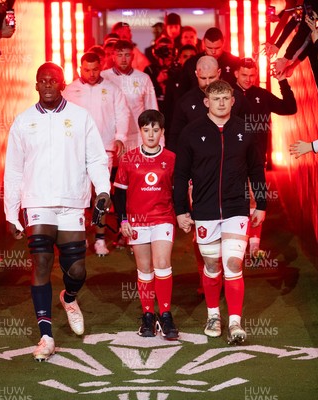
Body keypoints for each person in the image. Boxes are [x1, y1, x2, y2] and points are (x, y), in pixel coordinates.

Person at [4, 62, 110, 361]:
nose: (48, 85)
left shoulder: (80, 117)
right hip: (36, 201)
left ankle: (69, 297)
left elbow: (96, 159)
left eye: (53, 80)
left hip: (72, 200)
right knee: (41, 261)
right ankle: (46, 336)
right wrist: (11, 213)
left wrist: (102, 189)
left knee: (76, 270)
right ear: (36, 85)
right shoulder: (23, 121)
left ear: (62, 83)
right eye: (43, 80)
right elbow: (12, 170)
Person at [173, 80, 267, 344]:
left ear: (233, 100)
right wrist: (180, 210)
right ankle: (214, 315)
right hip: (204, 210)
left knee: (233, 264)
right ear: (207, 102)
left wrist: (261, 203)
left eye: (226, 98)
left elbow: (256, 169)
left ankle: (235, 322)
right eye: (216, 99)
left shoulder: (245, 130)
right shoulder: (191, 132)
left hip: (237, 208)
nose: (222, 103)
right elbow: (180, 175)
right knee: (212, 266)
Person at [113, 109, 178, 339]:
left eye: (156, 130)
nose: (151, 134)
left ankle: (166, 314)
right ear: (140, 131)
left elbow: (177, 191)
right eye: (146, 130)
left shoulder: (171, 159)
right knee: (145, 269)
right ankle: (149, 316)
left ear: (162, 132)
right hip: (137, 221)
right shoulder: (128, 159)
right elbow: (119, 194)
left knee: (162, 263)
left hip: (163, 218)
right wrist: (122, 220)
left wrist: (183, 213)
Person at [63, 52, 130, 256]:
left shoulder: (112, 89)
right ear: (79, 69)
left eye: (95, 69)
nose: (91, 74)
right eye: (87, 70)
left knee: (101, 195)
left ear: (100, 67)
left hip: (103, 150)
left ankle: (100, 240)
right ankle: (80, 237)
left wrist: (120, 137)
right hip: (75, 151)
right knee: (79, 195)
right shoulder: (70, 90)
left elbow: (123, 113)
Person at [232, 57, 296, 255]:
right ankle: (236, 245)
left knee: (254, 199)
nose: (248, 79)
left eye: (252, 75)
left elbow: (289, 108)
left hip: (257, 158)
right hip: (229, 158)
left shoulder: (262, 95)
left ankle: (254, 246)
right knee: (234, 201)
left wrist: (283, 81)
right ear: (236, 73)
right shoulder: (226, 95)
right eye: (244, 75)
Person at [101, 40, 158, 151]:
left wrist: (156, 139)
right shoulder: (104, 77)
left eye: (127, 55)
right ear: (113, 56)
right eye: (119, 55)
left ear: (132, 56)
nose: (123, 59)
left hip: (137, 137)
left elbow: (152, 110)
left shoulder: (143, 78)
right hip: (110, 137)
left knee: (136, 168)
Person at [167, 55, 220, 152]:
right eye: (203, 78)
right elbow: (175, 136)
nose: (208, 82)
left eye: (211, 77)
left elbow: (248, 132)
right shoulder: (185, 101)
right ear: (196, 74)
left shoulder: (235, 98)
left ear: (219, 73)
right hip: (195, 160)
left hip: (228, 160)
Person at [178, 27, 240, 95]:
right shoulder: (192, 63)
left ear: (223, 43)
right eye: (209, 48)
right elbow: (183, 91)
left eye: (217, 48)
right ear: (203, 43)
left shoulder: (234, 62)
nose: (213, 51)